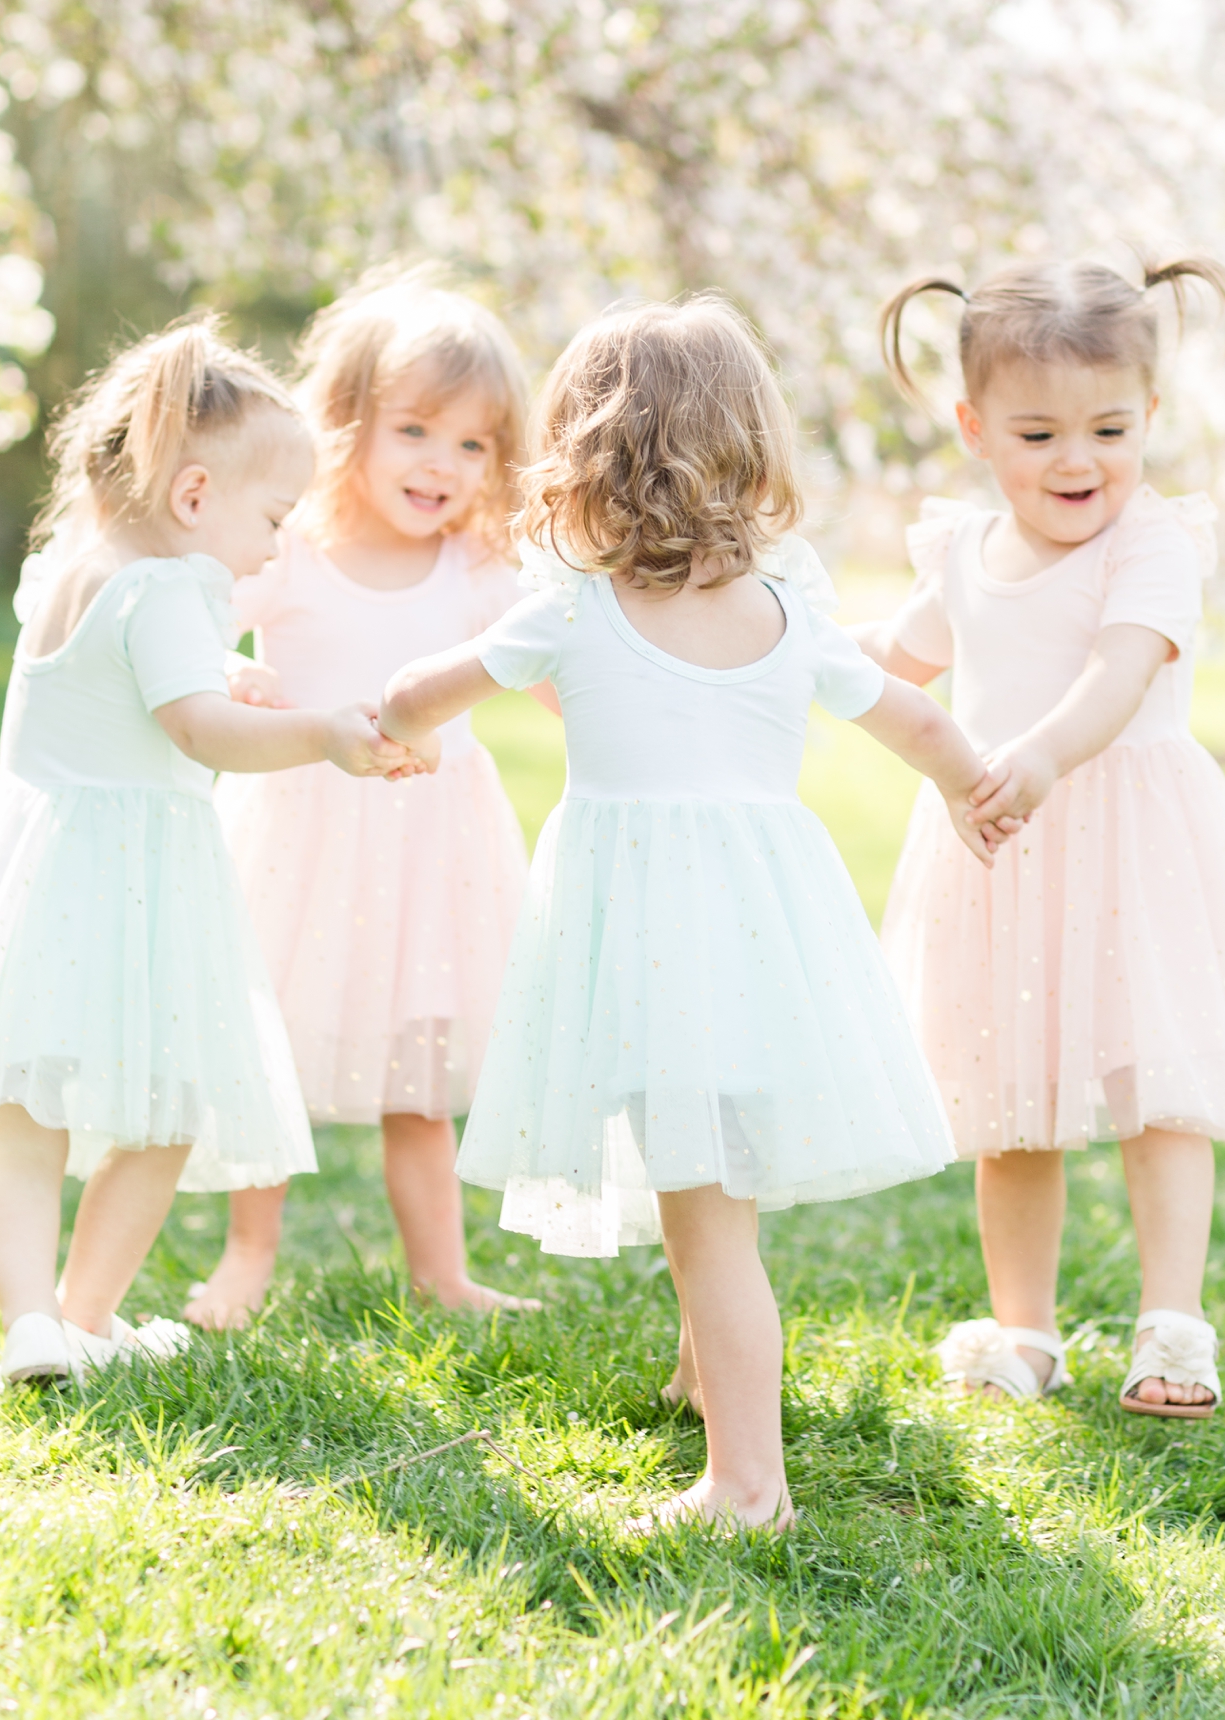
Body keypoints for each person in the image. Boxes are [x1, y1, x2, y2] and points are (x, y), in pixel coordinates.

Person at [378, 297, 1003, 1533]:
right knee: (712, 1171)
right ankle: (700, 1367)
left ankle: (747, 1483)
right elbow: (916, 722)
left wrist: (386, 730)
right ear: (749, 452)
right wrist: (970, 789)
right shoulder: (787, 608)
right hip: (765, 923)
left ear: (582, 455)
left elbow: (420, 689)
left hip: (648, 930)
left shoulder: (569, 606)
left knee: (705, 1212)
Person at [0, 320, 407, 1387]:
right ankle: (88, 1314)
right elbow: (199, 732)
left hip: (35, 874)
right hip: (133, 885)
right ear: (195, 496)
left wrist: (218, 664)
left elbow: (116, 668)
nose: (277, 546)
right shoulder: (171, 588)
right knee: (162, 1118)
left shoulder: (73, 565)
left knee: (20, 1129)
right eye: (272, 517)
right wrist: (319, 733)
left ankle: (36, 1323)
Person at [861, 256, 1225, 1419]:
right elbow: (889, 668)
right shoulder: (962, 551)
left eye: (1111, 428)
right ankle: (1024, 1331)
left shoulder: (1153, 543)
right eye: (1040, 433)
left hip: (1130, 850)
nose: (1079, 461)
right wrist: (766, 654)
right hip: (1002, 860)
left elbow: (1121, 671)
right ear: (974, 429)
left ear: (1151, 416)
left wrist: (1046, 756)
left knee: (1157, 1091)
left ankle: (1174, 1327)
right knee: (1008, 1105)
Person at [187, 268, 544, 1328]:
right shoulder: (287, 551)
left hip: (434, 846)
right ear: (347, 423)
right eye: (417, 430)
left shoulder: (477, 569)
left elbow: (554, 666)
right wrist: (227, 670)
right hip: (301, 835)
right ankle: (248, 1253)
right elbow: (194, 616)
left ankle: (442, 1271)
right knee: (271, 1053)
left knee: (420, 1077)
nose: (443, 464)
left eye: (473, 444)